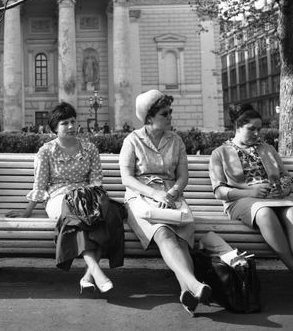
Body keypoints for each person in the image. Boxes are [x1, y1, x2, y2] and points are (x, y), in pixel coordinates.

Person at [7, 102, 122, 293]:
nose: (70, 126)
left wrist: (90, 200)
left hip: (86, 196)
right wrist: (27, 211)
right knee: (78, 219)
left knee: (105, 218)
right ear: (54, 128)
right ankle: (95, 271)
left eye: (73, 121)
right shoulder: (46, 151)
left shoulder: (90, 148)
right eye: (64, 123)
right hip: (59, 198)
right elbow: (40, 184)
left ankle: (88, 277)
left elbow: (96, 181)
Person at [119, 90, 211, 315]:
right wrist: (155, 194)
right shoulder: (132, 140)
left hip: (172, 196)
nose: (170, 116)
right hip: (141, 198)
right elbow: (127, 179)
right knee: (163, 232)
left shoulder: (176, 140)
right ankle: (194, 284)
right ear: (149, 117)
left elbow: (183, 176)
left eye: (170, 112)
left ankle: (188, 292)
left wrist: (172, 193)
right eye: (164, 113)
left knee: (181, 239)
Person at [209, 103, 293, 271]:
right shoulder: (220, 153)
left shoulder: (267, 149)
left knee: (292, 212)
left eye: (259, 129)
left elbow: (286, 177)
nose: (256, 134)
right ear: (238, 127)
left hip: (276, 199)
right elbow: (219, 191)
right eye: (251, 129)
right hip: (241, 201)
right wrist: (250, 192)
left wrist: (284, 188)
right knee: (264, 213)